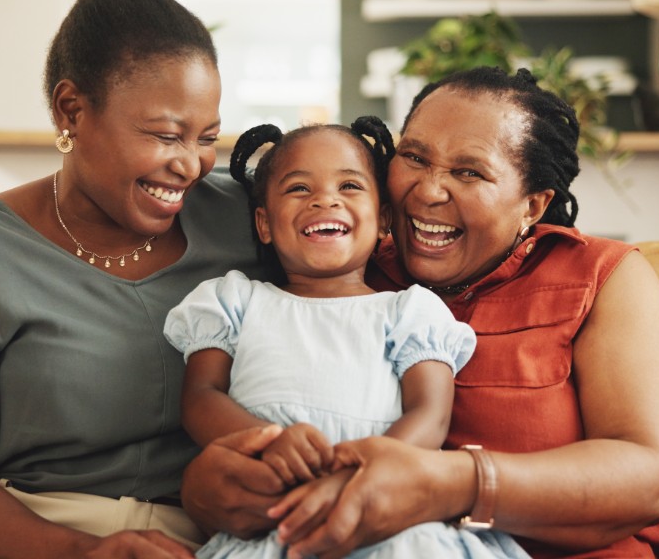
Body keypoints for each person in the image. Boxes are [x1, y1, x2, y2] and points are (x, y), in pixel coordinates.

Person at [179, 66, 659, 559]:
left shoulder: (600, 275)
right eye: (415, 158)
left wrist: (447, 484)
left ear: (533, 206)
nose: (427, 191)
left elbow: (651, 477)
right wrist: (202, 490)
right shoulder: (342, 268)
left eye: (468, 172)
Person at [0, 0, 275, 557]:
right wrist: (80, 552)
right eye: (164, 135)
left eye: (207, 137)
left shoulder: (248, 221)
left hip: (200, 530)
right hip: (16, 530)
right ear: (71, 111)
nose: (190, 164)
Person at [164, 118, 529, 559]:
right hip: (274, 522)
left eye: (350, 186)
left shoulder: (408, 311)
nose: (325, 199)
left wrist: (361, 478)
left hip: (386, 521)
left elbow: (430, 415)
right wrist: (267, 440)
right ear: (264, 223)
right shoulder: (233, 299)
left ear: (382, 222)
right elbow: (201, 396)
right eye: (299, 189)